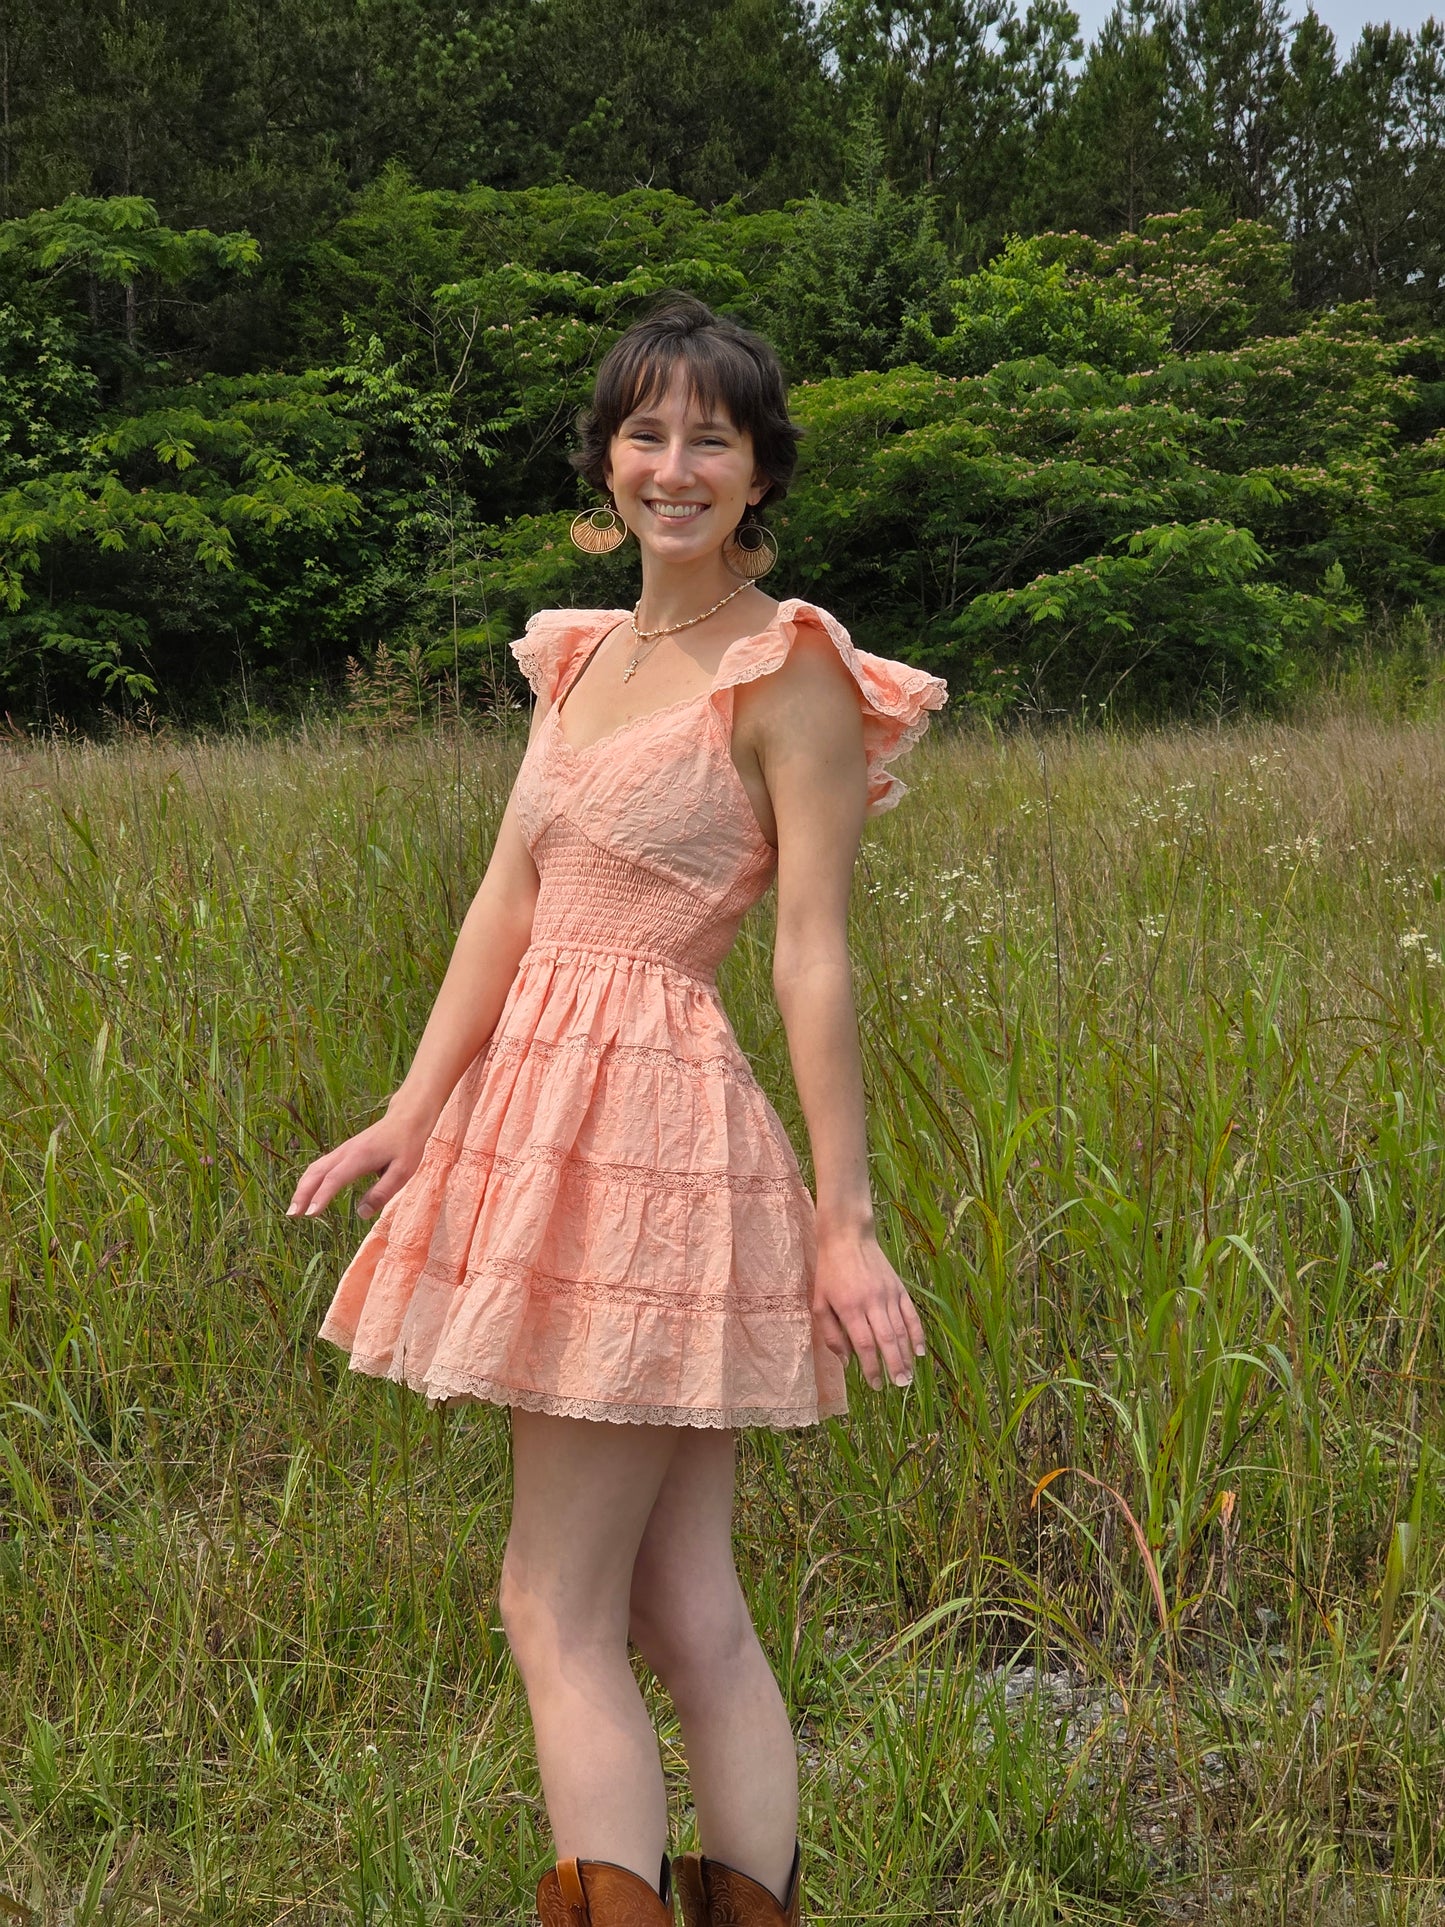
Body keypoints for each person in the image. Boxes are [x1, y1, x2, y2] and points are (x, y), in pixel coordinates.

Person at [287, 296, 948, 1927]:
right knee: (676, 1600)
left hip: (652, 1126)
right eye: (645, 434)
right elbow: (508, 897)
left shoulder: (790, 669)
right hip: (538, 1105)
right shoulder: (577, 656)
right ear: (604, 460)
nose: (674, 467)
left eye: (711, 439)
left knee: (552, 1603)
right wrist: (412, 1110)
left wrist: (845, 1223)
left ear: (758, 472)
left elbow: (810, 954)